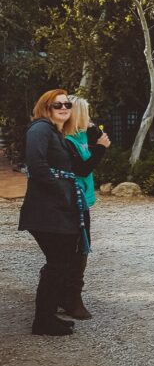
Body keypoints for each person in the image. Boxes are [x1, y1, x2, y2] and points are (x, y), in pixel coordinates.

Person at [17, 90, 99, 335]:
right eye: (57, 104)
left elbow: (78, 166)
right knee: (57, 264)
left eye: (67, 104)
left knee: (59, 263)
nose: (64, 107)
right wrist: (62, 195)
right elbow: (37, 166)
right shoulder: (40, 129)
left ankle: (47, 316)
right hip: (47, 211)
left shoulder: (55, 132)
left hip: (56, 210)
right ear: (46, 107)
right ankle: (43, 321)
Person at [61, 95, 110, 319]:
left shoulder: (81, 133)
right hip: (73, 199)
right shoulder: (67, 140)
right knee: (80, 247)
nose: (90, 117)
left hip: (83, 197)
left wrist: (93, 129)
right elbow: (82, 169)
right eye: (86, 112)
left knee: (82, 244)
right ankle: (71, 297)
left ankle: (67, 294)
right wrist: (100, 148)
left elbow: (103, 137)